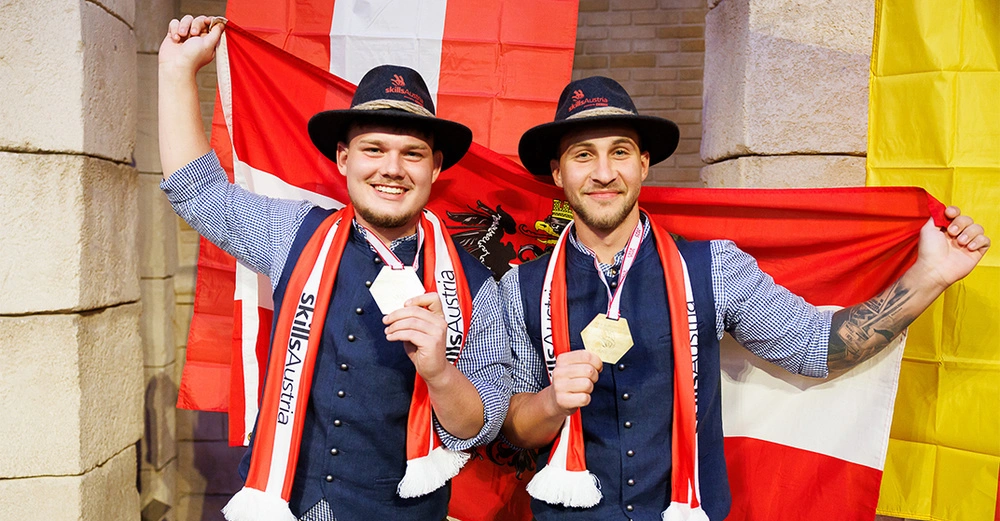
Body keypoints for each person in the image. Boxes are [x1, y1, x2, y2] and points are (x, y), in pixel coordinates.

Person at [499, 76, 990, 521]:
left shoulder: (713, 268)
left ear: (644, 164)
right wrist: (551, 403)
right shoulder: (520, 290)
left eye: (621, 151)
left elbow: (818, 348)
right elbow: (514, 429)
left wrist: (931, 273)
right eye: (583, 154)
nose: (604, 172)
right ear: (558, 174)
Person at [157, 15, 511, 521]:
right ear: (344, 159)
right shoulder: (294, 235)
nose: (392, 168)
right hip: (280, 504)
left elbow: (478, 427)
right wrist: (176, 70)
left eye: (412, 153)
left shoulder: (477, 287)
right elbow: (199, 195)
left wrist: (438, 370)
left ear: (434, 168)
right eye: (374, 149)